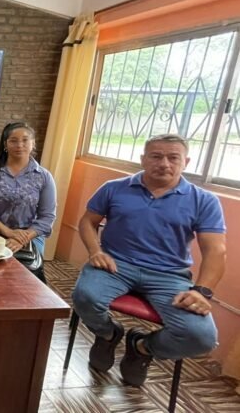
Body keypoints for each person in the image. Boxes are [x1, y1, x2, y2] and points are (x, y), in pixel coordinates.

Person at [72, 134, 226, 387]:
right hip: (115, 265)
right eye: (156, 156)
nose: (164, 163)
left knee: (201, 337)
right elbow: (88, 221)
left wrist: (202, 292)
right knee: (85, 297)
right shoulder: (114, 188)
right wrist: (95, 251)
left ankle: (142, 348)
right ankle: (108, 334)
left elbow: (215, 251)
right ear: (143, 159)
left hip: (170, 276)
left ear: (186, 162)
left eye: (173, 157)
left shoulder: (204, 200)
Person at [0, 122, 56, 282]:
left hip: (29, 234)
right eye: (13, 140)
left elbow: (47, 217)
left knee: (23, 278)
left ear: (33, 143)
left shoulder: (44, 176)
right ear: (5, 144)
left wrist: (22, 238)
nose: (20, 145)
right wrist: (7, 232)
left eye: (25, 140)